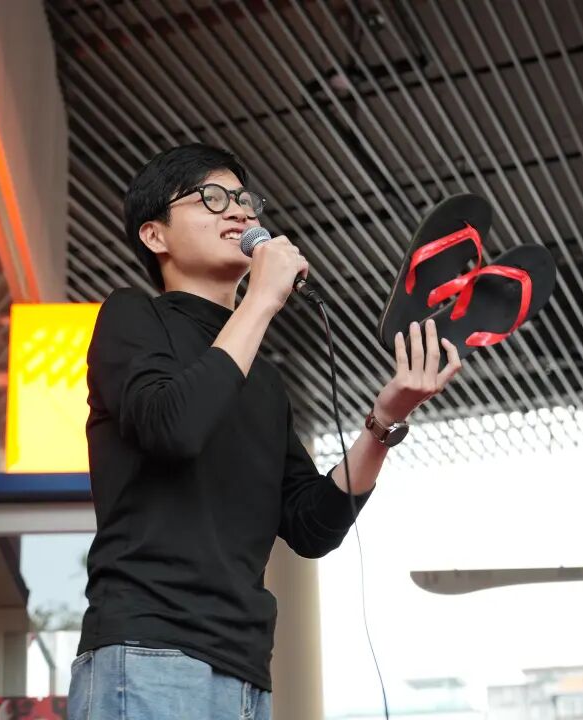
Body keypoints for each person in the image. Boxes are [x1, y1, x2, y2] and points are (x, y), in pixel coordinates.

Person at [68, 143, 463, 720]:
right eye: (211, 198)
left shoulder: (262, 379)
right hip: (149, 649)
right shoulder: (133, 316)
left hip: (246, 669)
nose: (239, 211)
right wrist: (261, 300)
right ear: (154, 236)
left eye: (244, 200)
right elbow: (172, 427)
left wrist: (384, 421)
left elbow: (312, 525)